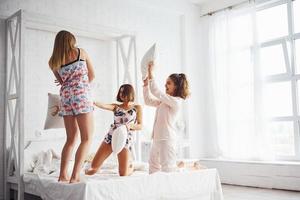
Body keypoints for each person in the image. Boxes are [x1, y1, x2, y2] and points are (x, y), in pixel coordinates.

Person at [49, 30, 95, 183]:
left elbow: (62, 82)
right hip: (82, 97)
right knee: (87, 138)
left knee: (70, 139)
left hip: (66, 98)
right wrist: (81, 85)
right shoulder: (81, 52)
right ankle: (75, 176)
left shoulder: (54, 62)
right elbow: (92, 76)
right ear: (71, 41)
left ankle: (62, 175)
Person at [143, 61, 190, 174]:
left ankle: (185, 167)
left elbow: (156, 91)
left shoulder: (175, 102)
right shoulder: (164, 101)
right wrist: (145, 86)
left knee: (167, 168)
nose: (165, 85)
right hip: (156, 138)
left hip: (167, 139)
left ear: (176, 86)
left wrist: (150, 72)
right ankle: (155, 188)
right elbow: (148, 101)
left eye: (168, 83)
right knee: (153, 166)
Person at [85, 84, 142, 176]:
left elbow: (140, 126)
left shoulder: (137, 108)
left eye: (124, 92)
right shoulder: (116, 107)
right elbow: (104, 105)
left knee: (123, 174)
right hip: (111, 136)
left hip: (125, 138)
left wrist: (129, 126)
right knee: (93, 169)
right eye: (120, 92)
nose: (121, 94)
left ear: (130, 93)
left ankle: (131, 167)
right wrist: (93, 102)